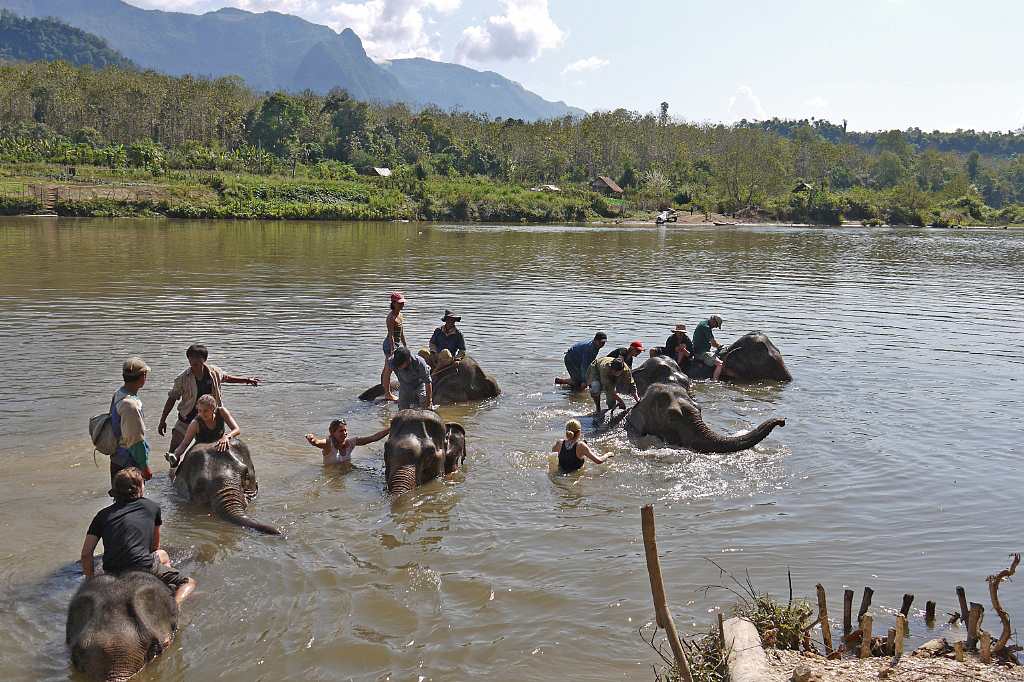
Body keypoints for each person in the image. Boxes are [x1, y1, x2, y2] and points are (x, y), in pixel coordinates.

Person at [80, 468, 196, 606]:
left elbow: (86, 554)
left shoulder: (102, 515)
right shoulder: (151, 507)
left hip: (112, 572)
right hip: (143, 567)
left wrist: (91, 581)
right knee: (187, 581)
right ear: (140, 487)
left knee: (161, 554)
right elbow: (154, 547)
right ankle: (174, 604)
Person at [158, 344, 258, 453]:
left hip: (210, 418)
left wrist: (247, 380)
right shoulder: (182, 379)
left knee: (216, 452)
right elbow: (172, 398)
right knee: (174, 449)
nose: (194, 361)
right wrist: (163, 419)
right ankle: (173, 469)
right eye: (191, 358)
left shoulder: (214, 373)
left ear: (204, 359)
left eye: (197, 358)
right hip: (187, 418)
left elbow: (226, 378)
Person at [164, 394, 240, 470]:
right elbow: (184, 444)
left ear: (213, 408)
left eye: (205, 411)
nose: (202, 414)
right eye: (200, 411)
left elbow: (237, 429)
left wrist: (226, 436)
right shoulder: (195, 423)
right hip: (201, 449)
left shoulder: (222, 412)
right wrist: (175, 455)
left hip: (219, 445)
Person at [109, 357, 153, 485]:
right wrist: (145, 466)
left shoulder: (118, 394)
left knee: (120, 499)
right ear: (143, 377)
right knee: (133, 499)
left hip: (117, 457)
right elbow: (135, 440)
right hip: (129, 461)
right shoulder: (131, 405)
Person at [305, 419, 391, 465]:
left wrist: (390, 429)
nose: (344, 434)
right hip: (330, 475)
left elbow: (373, 438)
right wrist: (312, 439)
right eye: (341, 431)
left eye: (345, 431)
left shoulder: (351, 442)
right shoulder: (328, 443)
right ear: (332, 432)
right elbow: (317, 443)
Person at [387, 346, 433, 410]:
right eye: (397, 364)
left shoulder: (419, 363)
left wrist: (428, 403)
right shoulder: (391, 361)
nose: (398, 367)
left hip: (419, 382)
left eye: (400, 364)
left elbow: (428, 382)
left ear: (408, 360)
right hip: (404, 382)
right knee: (402, 405)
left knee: (423, 398)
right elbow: (392, 371)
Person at [381, 292, 407, 402]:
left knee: (387, 367)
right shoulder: (390, 317)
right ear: (393, 303)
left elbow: (401, 332)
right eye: (399, 303)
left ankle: (382, 386)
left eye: (402, 303)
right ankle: (387, 394)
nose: (402, 305)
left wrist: (405, 345)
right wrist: (392, 350)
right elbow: (391, 335)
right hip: (389, 344)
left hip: (396, 344)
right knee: (389, 369)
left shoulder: (400, 315)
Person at [692, 314, 725, 380]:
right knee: (720, 365)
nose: (715, 327)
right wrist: (719, 346)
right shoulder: (706, 327)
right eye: (717, 325)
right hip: (701, 353)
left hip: (699, 350)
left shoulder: (702, 324)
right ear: (714, 321)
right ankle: (715, 381)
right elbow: (714, 344)